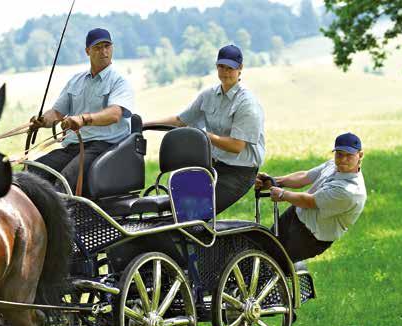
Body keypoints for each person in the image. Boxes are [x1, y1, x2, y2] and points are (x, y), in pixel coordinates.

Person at [144, 44, 265, 214]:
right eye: (221, 66)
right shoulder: (208, 95)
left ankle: (195, 237)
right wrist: (144, 125)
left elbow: (236, 146)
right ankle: (181, 237)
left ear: (240, 69)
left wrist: (202, 136)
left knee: (196, 212)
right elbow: (181, 121)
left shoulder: (247, 103)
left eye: (230, 67)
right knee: (176, 208)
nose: (225, 72)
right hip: (212, 167)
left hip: (239, 173)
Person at [29, 28, 134, 197]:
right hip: (73, 147)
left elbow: (114, 114)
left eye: (107, 46)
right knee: (31, 172)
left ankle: (63, 221)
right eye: (98, 47)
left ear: (112, 48)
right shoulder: (75, 81)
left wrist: (83, 119)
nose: (104, 51)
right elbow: (57, 113)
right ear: (88, 51)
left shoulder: (119, 82)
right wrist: (42, 120)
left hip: (104, 146)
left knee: (64, 182)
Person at [255, 132, 367, 262]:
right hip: (296, 214)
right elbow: (305, 176)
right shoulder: (333, 165)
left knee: (274, 263)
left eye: (349, 155)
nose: (343, 159)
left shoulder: (350, 191)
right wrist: (272, 182)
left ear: (360, 155)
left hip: (310, 237)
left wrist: (282, 194)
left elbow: (309, 202)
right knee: (262, 250)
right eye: (339, 154)